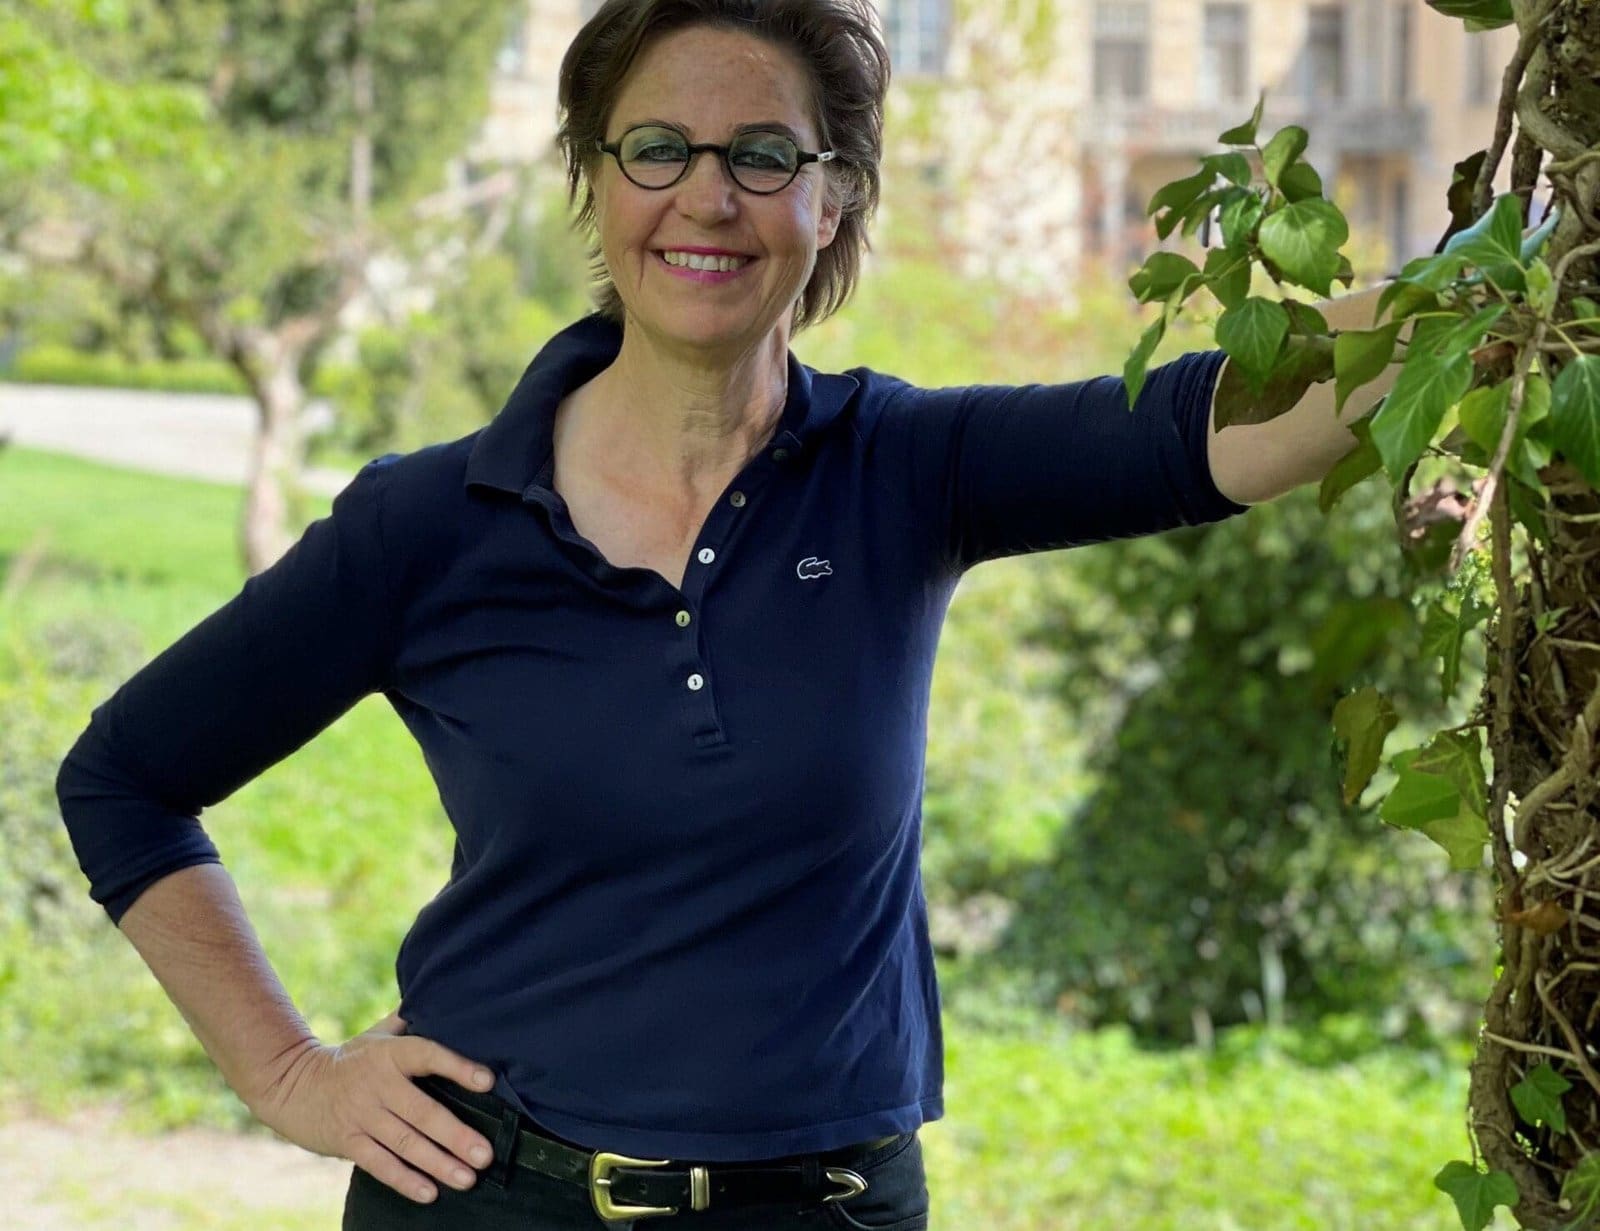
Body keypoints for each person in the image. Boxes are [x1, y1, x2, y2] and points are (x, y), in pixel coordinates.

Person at [54, 0, 1396, 1227]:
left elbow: (1206, 430)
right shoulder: (431, 522)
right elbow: (125, 778)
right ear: (594, 178)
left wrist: (1501, 289)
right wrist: (289, 1073)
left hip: (831, 1205)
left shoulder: (902, 470)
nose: (707, 196)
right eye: (657, 149)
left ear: (833, 200)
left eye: (765, 155)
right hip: (494, 1193)